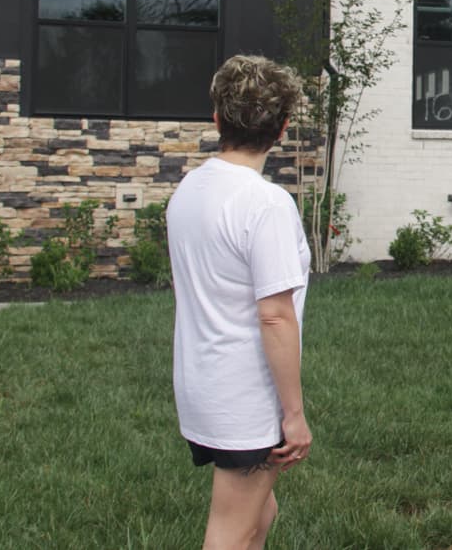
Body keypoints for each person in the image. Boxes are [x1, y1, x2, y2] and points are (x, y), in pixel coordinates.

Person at [167, 55, 313, 550]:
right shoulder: (266, 204)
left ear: (217, 120)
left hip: (202, 387)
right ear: (283, 127)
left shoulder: (189, 189)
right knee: (232, 531)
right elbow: (275, 316)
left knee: (260, 511)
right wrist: (293, 414)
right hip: (244, 401)